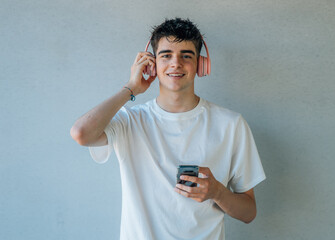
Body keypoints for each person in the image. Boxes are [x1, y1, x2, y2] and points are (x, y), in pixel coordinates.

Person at [70, 18, 266, 240]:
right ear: (152, 63)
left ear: (201, 65)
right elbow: (81, 133)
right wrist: (131, 88)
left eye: (186, 55)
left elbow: (249, 213)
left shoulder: (231, 124)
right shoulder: (130, 120)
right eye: (166, 55)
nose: (176, 63)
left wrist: (217, 192)